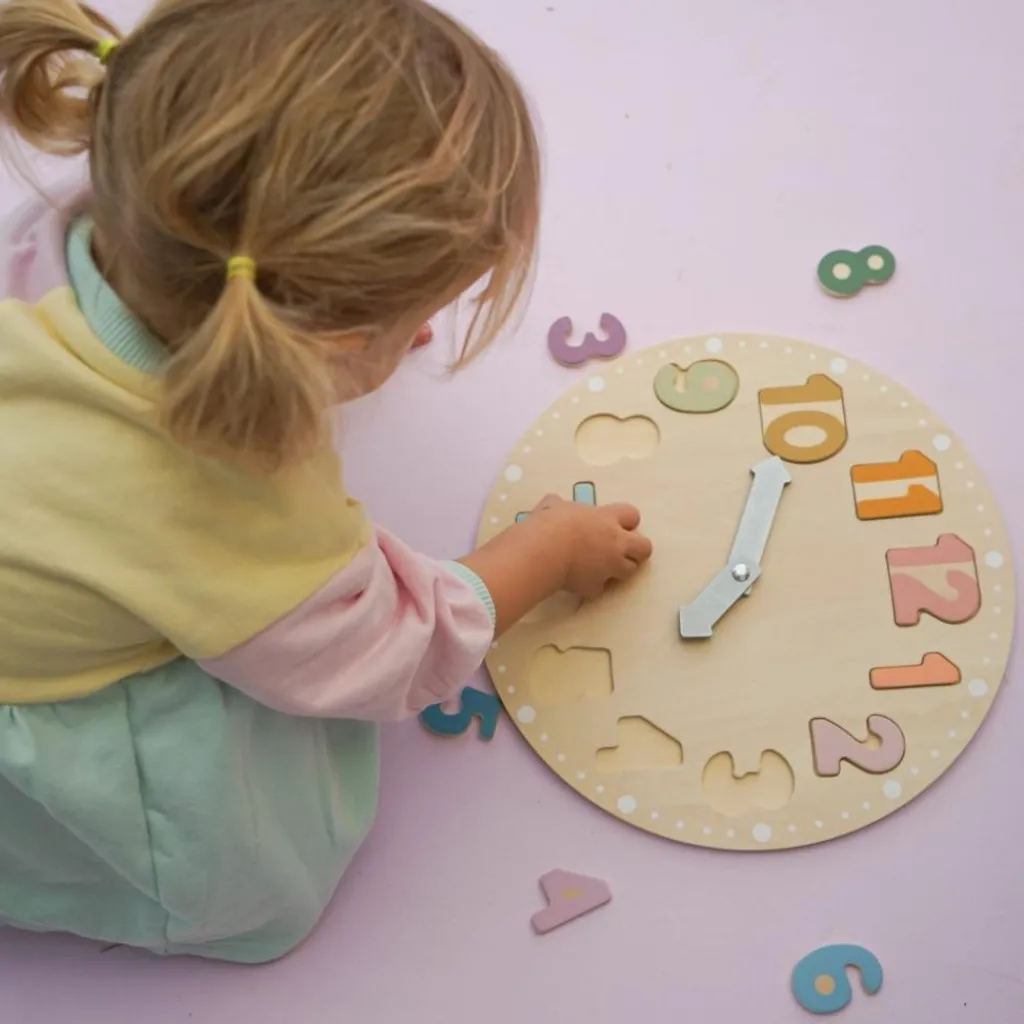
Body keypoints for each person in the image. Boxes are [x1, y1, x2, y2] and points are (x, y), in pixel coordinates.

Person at [0, 0, 653, 964]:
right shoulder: (223, 498)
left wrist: (342, 326)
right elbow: (388, 652)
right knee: (255, 874)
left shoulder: (79, 227)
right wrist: (549, 548)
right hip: (42, 690)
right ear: (331, 338)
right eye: (410, 316)